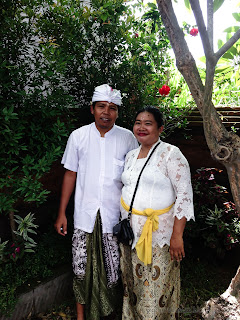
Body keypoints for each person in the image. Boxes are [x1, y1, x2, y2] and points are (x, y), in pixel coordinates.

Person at [54, 84, 138, 320]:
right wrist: (62, 212)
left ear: (118, 112)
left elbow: (134, 178)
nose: (106, 112)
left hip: (115, 217)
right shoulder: (78, 136)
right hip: (84, 215)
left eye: (112, 108)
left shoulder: (128, 138)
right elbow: (70, 174)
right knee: (81, 268)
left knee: (112, 272)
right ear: (92, 109)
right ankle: (81, 316)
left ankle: (108, 314)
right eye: (101, 106)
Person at [119, 106, 194, 319]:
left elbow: (185, 196)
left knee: (154, 289)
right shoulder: (131, 155)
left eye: (148, 123)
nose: (141, 127)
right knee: (131, 286)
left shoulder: (171, 154)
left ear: (160, 128)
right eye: (138, 122)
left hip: (158, 236)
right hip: (129, 233)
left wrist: (177, 236)